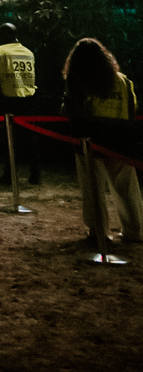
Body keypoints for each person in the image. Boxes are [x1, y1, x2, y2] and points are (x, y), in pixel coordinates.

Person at [61, 37, 143, 246]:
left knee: (93, 190)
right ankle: (135, 230)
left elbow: (72, 109)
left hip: (90, 139)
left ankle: (98, 232)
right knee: (127, 188)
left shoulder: (78, 79)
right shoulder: (123, 81)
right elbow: (133, 109)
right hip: (122, 139)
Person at [0, 22, 41, 185]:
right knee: (30, 138)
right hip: (27, 98)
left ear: (3, 35)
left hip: (6, 98)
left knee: (8, 139)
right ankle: (35, 174)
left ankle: (9, 175)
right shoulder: (28, 52)